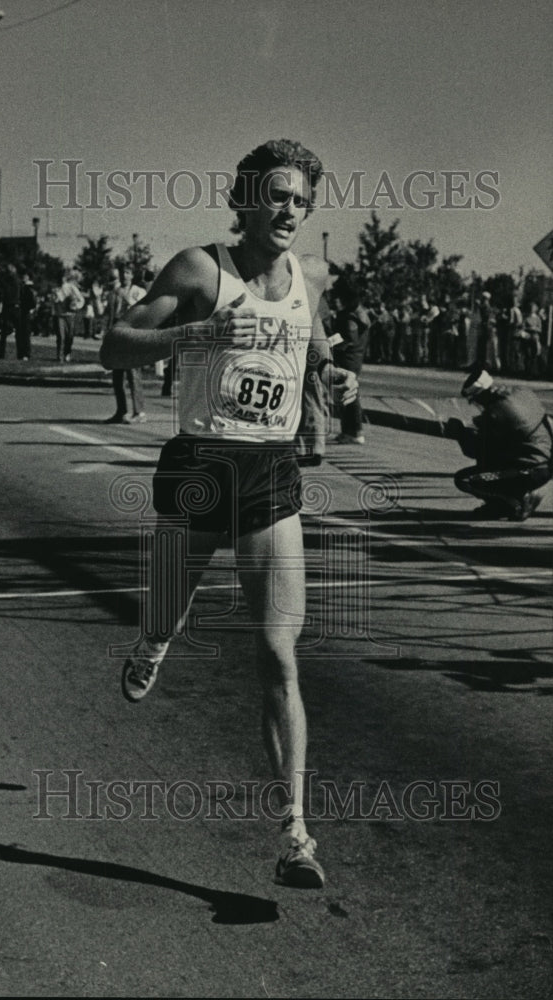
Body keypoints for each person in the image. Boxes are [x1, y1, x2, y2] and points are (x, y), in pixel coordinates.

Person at [100, 138, 358, 889]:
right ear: (245, 199)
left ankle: (294, 835)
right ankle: (151, 642)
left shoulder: (310, 275)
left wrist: (334, 377)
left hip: (270, 469)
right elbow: (113, 346)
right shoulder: (198, 268)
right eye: (276, 196)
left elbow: (314, 350)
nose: (288, 211)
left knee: (278, 650)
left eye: (301, 200)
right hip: (201, 466)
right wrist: (197, 334)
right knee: (163, 616)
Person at [445, 368, 552, 520]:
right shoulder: (522, 392)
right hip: (545, 464)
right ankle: (507, 500)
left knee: (465, 479)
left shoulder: (494, 414)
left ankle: (513, 504)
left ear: (481, 396)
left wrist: (460, 433)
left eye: (474, 401)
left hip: (526, 471)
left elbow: (476, 451)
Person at [103, 268, 147, 423]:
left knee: (133, 373)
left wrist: (126, 297)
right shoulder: (115, 291)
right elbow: (108, 313)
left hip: (132, 331)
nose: (124, 275)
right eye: (122, 273)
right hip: (117, 332)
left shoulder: (138, 291)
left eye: (128, 272)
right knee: (117, 374)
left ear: (132, 275)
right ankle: (121, 411)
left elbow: (142, 309)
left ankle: (139, 412)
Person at [330, 273, 370, 445]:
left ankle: (354, 431)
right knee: (349, 393)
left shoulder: (350, 316)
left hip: (348, 358)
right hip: (356, 357)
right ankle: (350, 431)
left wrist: (330, 343)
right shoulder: (361, 313)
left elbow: (348, 338)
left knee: (348, 394)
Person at [53, 269, 85, 362]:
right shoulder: (59, 288)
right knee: (61, 336)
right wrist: (56, 297)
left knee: (69, 336)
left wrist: (75, 305)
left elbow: (81, 300)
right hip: (60, 314)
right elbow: (56, 300)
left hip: (70, 315)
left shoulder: (72, 288)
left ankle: (67, 353)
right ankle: (60, 355)